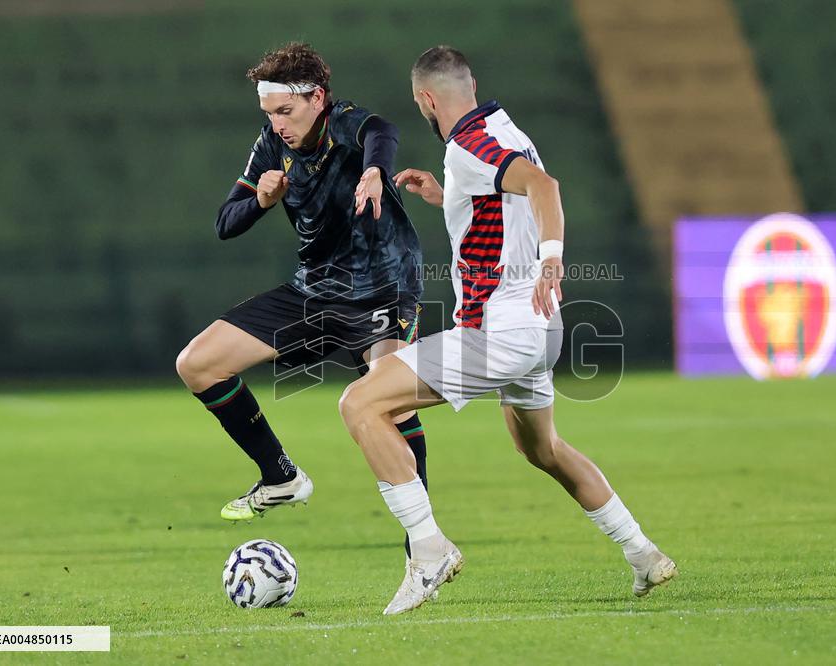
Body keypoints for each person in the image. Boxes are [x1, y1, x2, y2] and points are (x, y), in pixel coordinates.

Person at [338, 46, 677, 615]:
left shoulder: (470, 144)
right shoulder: (500, 127)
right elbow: (509, 199)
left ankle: (429, 551)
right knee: (541, 448)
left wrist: (551, 259)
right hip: (540, 331)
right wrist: (447, 198)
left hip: (504, 328)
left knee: (361, 404)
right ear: (468, 86)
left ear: (425, 99)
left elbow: (545, 188)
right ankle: (644, 554)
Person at [175, 43, 430, 543]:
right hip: (314, 291)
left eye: (285, 111)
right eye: (269, 114)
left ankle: (422, 545)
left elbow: (383, 130)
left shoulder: (345, 124)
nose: (276, 124)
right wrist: (263, 201)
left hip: (383, 289)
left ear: (317, 98)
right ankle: (280, 476)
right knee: (197, 363)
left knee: (391, 406)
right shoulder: (272, 144)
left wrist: (375, 170)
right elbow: (226, 222)